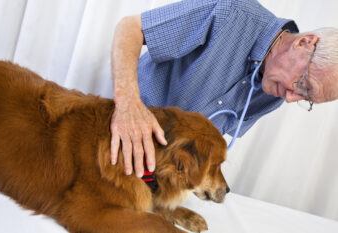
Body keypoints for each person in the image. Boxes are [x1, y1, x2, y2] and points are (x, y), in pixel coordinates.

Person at [110, 0, 338, 178]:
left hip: (160, 166)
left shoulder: (275, 91)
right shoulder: (231, 11)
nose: (290, 98)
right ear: (305, 42)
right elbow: (130, 28)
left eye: (305, 98)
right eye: (303, 84)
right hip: (121, 132)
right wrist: (128, 105)